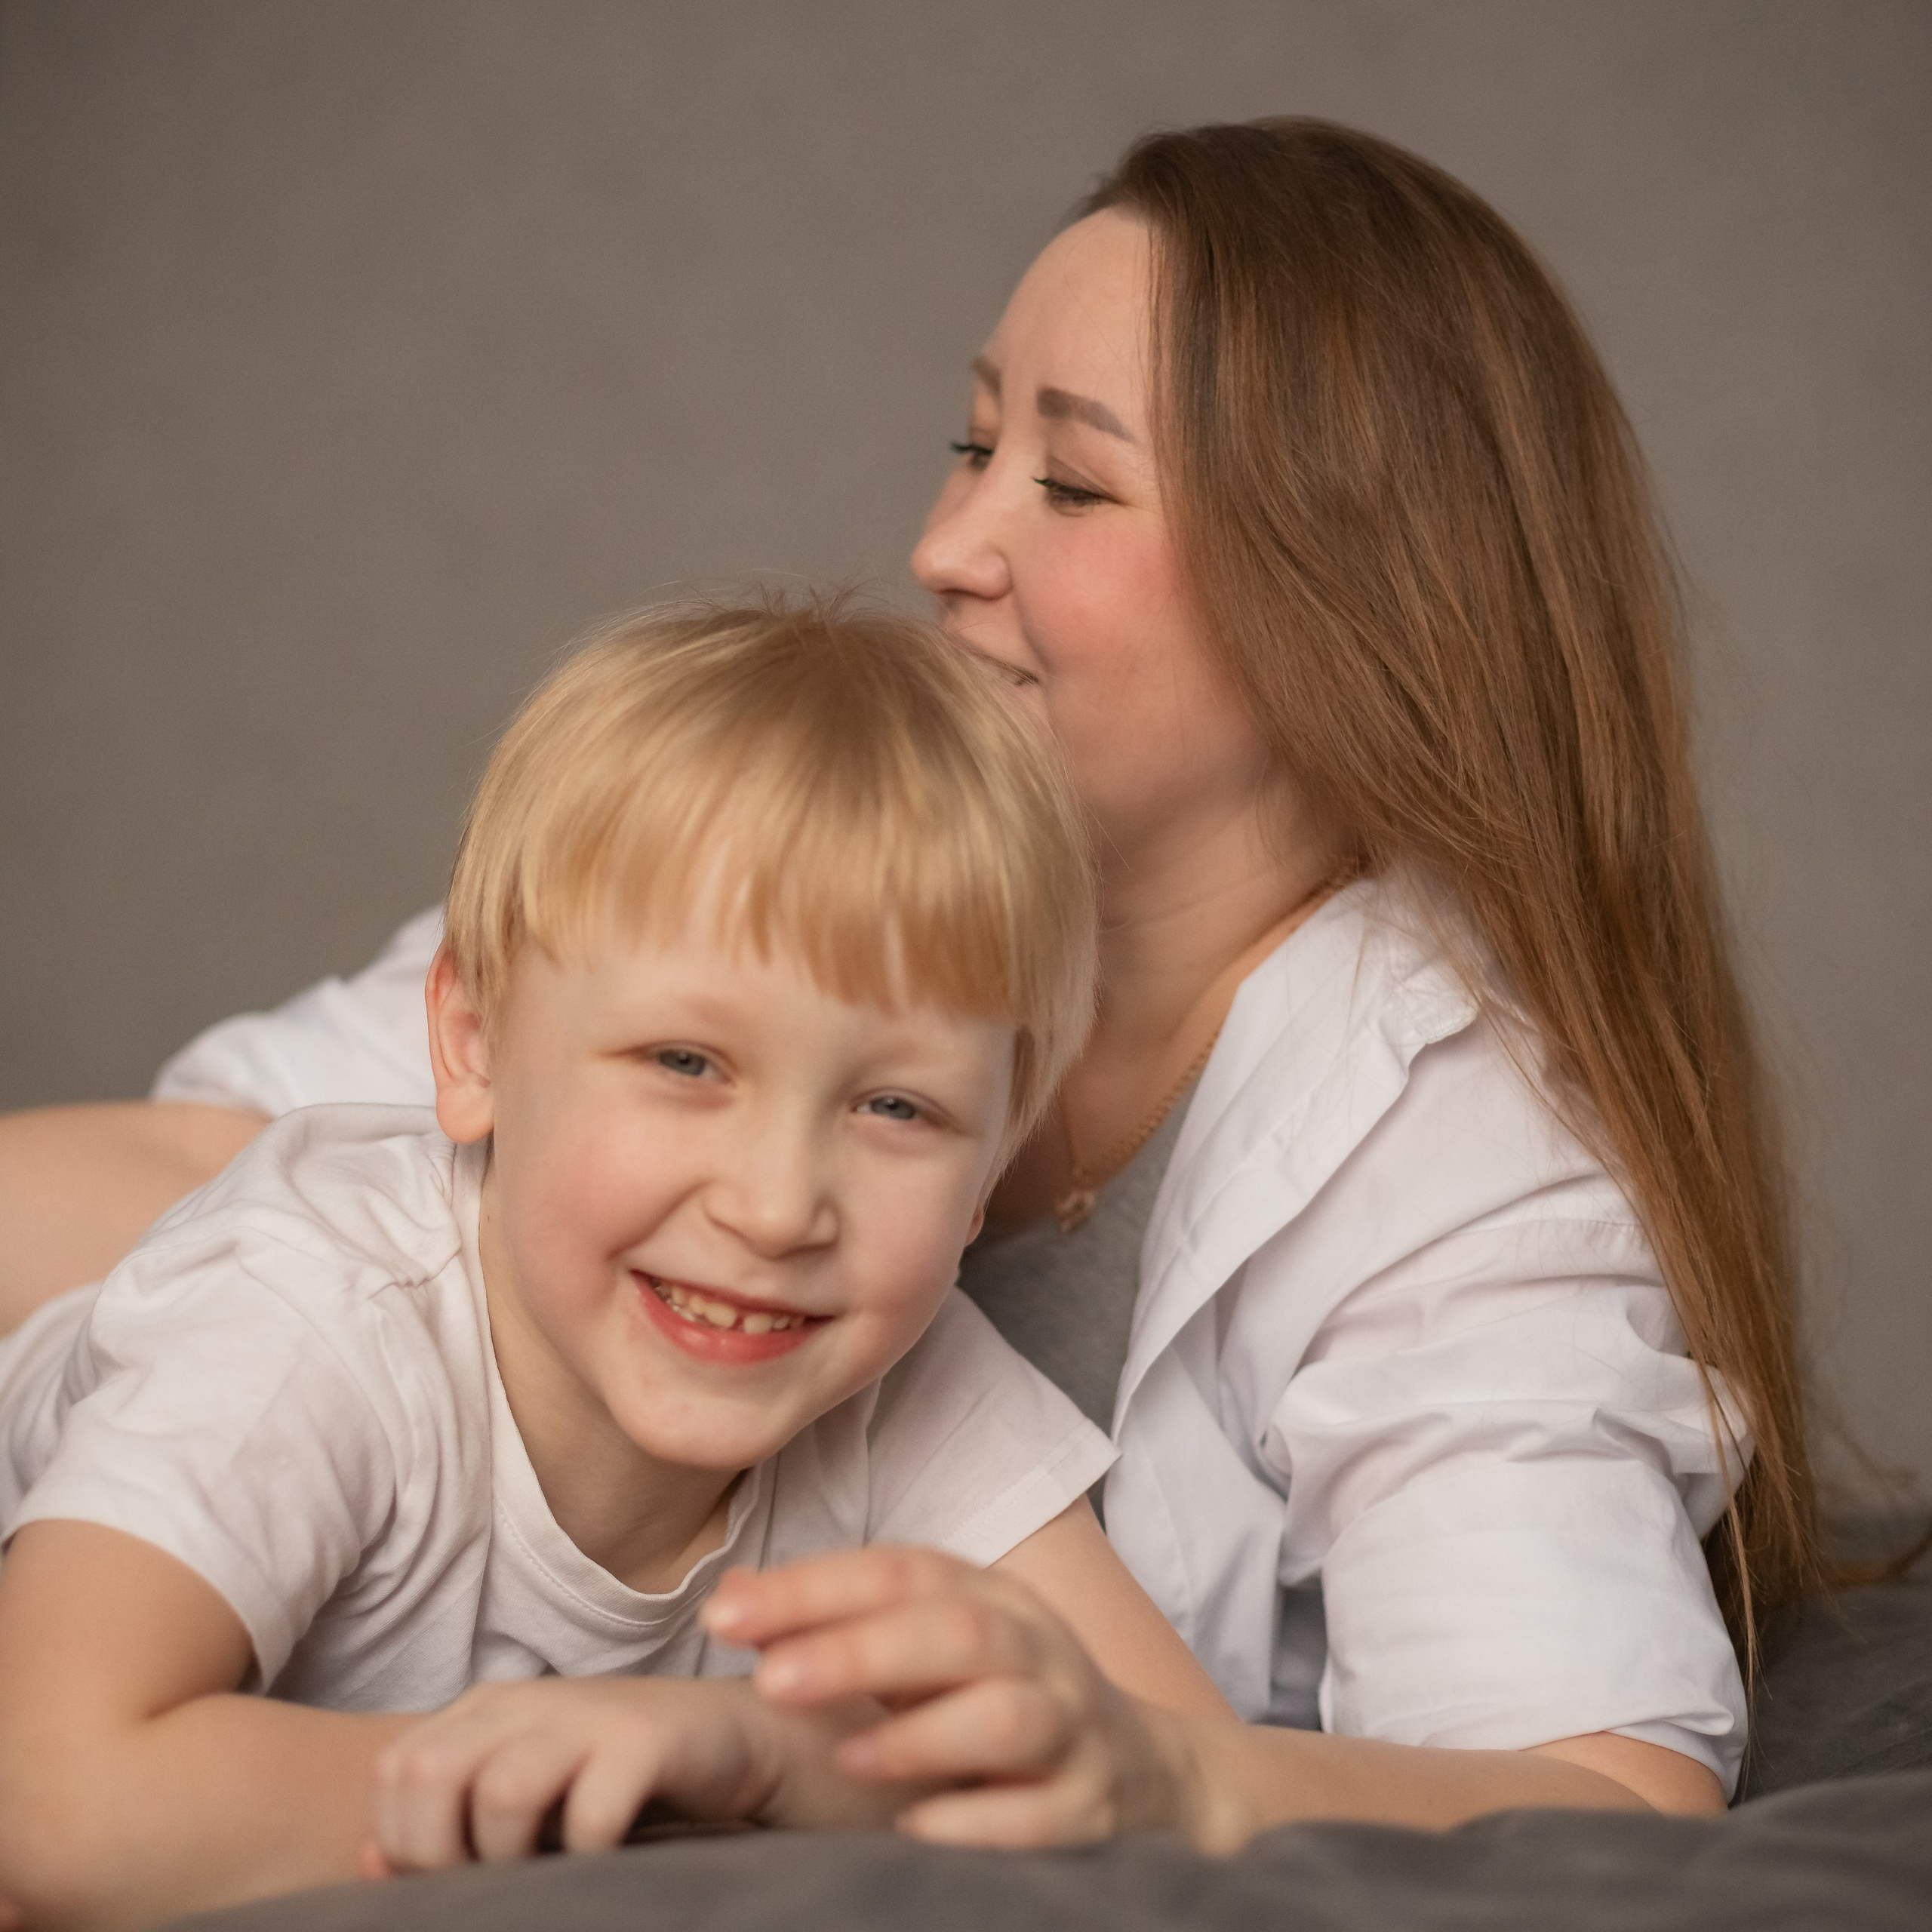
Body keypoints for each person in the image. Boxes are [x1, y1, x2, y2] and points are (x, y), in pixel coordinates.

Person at [0, 118, 1818, 1846]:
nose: (945, 551)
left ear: (1352, 598)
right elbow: (255, 1169)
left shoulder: (1439, 1161)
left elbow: (1590, 1791)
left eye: (1073, 480)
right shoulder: (779, 888)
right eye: (969, 446)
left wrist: (1164, 1782)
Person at [0, 598, 1238, 1927]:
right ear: (473, 1045)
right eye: (686, 1063)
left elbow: (1181, 1796)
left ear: (999, 1149)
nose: (776, 1210)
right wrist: (675, 1798)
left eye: (898, 1109)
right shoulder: (311, 1315)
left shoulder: (908, 1379)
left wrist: (779, 1764)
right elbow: (53, 1813)